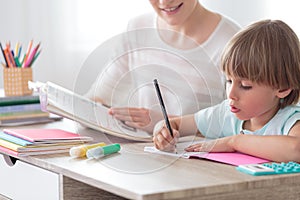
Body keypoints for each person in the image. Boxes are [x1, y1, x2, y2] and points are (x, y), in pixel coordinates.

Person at [153, 19, 300, 162]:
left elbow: (296, 149)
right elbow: (175, 124)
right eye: (229, 81)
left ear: (283, 88)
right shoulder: (225, 114)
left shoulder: (291, 121)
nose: (230, 94)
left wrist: (234, 142)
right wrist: (162, 132)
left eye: (245, 85)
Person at [86, 0, 240, 133]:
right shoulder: (137, 28)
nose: (164, 2)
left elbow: (241, 125)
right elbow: (99, 96)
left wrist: (168, 123)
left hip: (198, 158)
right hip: (144, 152)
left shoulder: (232, 42)